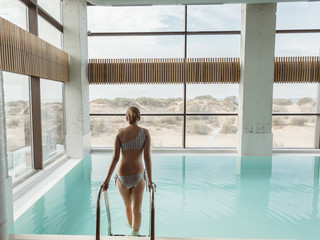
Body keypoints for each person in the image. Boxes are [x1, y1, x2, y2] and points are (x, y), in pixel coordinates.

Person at [102, 106, 155, 236]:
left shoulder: (120, 133)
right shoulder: (145, 133)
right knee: (137, 209)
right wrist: (150, 180)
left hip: (122, 177)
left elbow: (115, 157)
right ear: (139, 118)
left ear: (126, 118)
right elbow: (147, 157)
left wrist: (107, 180)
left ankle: (130, 225)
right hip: (138, 175)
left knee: (127, 206)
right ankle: (134, 234)